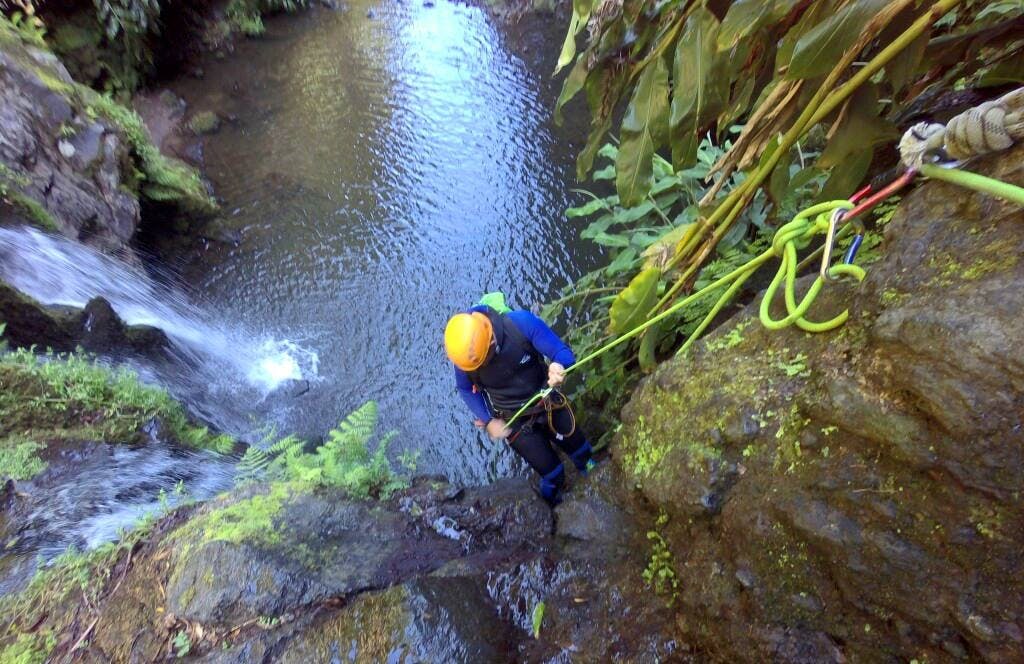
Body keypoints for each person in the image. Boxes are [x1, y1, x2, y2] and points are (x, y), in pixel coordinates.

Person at [443, 295, 595, 504]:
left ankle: (592, 476)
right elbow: (465, 389)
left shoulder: (519, 325)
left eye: (484, 360)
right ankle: (553, 506)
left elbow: (563, 354)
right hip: (515, 421)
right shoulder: (467, 357)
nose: (480, 368)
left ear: (492, 341)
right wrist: (488, 420)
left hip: (548, 399)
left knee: (580, 450)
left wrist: (559, 366)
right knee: (552, 474)